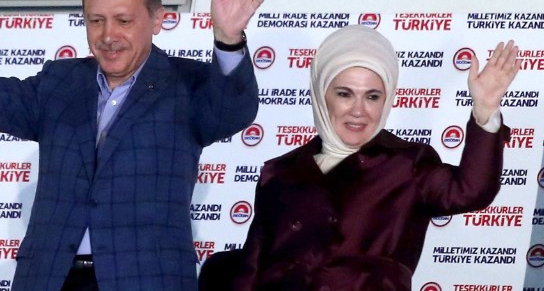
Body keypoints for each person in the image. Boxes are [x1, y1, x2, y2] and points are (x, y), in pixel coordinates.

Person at [0, 0, 271, 291]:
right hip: (51, 278)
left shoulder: (185, 84)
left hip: (146, 280)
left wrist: (228, 40)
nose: (108, 36)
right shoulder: (59, 82)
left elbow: (233, 111)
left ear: (158, 20)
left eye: (123, 20)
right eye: (96, 21)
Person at [222, 25, 519, 290]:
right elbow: (251, 268)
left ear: (387, 99)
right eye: (344, 94)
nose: (359, 110)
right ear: (321, 95)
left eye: (373, 96)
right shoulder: (279, 172)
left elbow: (472, 190)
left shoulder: (407, 165)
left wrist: (485, 111)